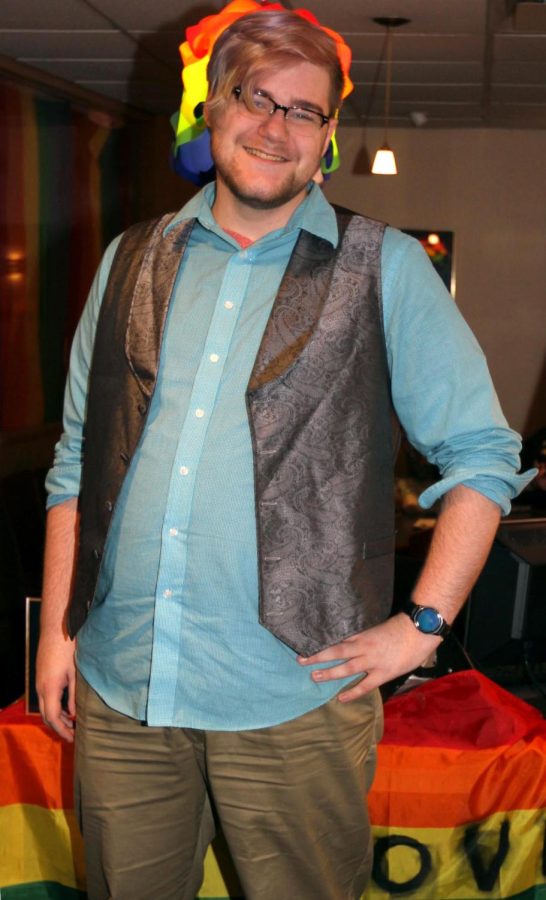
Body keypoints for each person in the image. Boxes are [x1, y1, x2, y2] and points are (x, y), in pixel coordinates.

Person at [36, 7, 532, 900]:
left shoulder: (384, 267)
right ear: (211, 113)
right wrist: (55, 636)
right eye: (254, 99)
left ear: (328, 136)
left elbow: (484, 456)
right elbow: (76, 459)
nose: (275, 127)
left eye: (305, 111)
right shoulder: (128, 261)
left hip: (295, 698)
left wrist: (420, 630)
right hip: (124, 685)